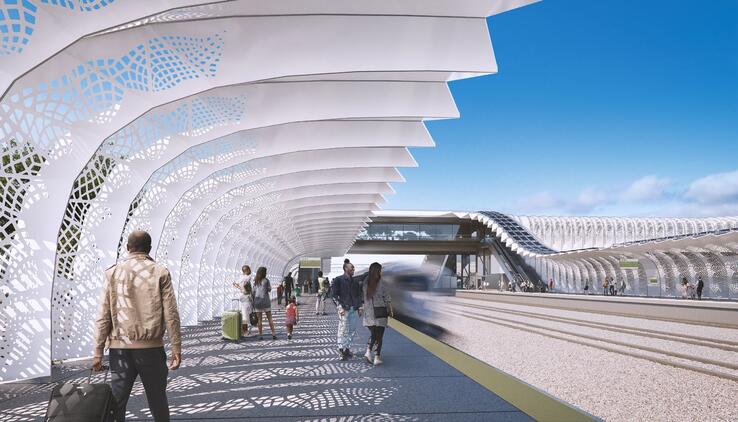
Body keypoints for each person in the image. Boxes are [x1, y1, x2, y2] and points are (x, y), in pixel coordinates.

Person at [92, 230, 181, 422]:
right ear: (149, 249)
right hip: (152, 349)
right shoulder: (160, 272)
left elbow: (103, 315)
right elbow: (171, 314)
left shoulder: (112, 273)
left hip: (120, 349)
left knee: (117, 402)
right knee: (158, 399)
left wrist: (98, 351)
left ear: (127, 248)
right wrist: (176, 348)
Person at [362, 262, 392, 366]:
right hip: (380, 313)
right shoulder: (382, 282)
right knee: (380, 335)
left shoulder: (366, 282)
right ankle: (377, 357)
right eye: (380, 270)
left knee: (373, 334)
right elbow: (387, 298)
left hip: (368, 314)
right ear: (378, 271)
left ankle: (368, 351)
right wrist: (389, 310)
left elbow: (363, 298)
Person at [332, 261, 363, 360]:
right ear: (346, 268)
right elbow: (334, 296)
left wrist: (360, 307)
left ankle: (347, 349)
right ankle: (341, 349)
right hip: (344, 309)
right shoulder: (338, 280)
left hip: (354, 309)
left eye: (353, 268)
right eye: (352, 268)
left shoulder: (355, 282)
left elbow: (359, 295)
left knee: (352, 330)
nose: (353, 269)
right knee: (342, 330)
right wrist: (339, 307)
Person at [252, 267, 277, 340]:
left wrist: (253, 302)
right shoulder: (266, 281)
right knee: (270, 318)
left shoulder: (255, 281)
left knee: (259, 320)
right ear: (264, 273)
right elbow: (269, 289)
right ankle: (273, 334)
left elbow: (253, 292)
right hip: (265, 301)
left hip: (257, 302)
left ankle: (261, 335)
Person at [232, 265, 253, 336]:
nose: (250, 270)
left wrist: (240, 289)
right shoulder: (248, 277)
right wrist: (244, 290)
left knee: (244, 314)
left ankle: (243, 331)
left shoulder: (241, 278)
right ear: (246, 270)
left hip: (242, 297)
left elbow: (234, 283)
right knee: (245, 316)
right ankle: (245, 332)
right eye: (249, 269)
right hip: (246, 297)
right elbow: (248, 288)